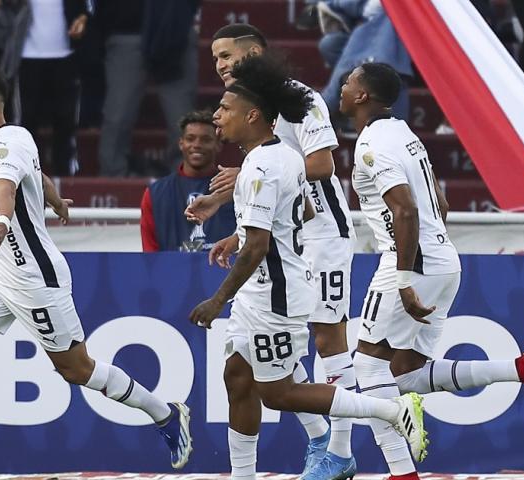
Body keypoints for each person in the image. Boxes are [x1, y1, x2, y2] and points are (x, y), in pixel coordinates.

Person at [0, 66, 193, 480]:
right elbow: (30, 172)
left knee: (76, 369)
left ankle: (164, 413)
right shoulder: (15, 138)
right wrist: (54, 199)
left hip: (34, 277)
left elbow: (5, 184)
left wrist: (1, 224)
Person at [188, 54, 429, 479]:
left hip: (273, 296)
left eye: (225, 109)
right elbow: (290, 216)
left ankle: (388, 409)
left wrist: (216, 298)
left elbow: (260, 245)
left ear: (254, 114)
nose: (216, 116)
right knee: (237, 377)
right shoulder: (278, 157)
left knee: (279, 393)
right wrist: (242, 233)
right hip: (265, 290)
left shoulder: (262, 166)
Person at [340, 62, 524, 480]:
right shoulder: (405, 134)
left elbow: (405, 208)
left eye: (348, 82)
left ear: (363, 96)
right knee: (405, 375)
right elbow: (440, 205)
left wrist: (406, 278)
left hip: (411, 261)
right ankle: (523, 368)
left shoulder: (372, 144)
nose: (341, 86)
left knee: (368, 367)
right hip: (443, 257)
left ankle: (401, 473)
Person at [187, 24, 358, 480]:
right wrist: (238, 221)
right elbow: (275, 187)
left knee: (326, 338)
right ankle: (323, 440)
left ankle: (340, 449)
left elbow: (322, 163)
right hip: (289, 241)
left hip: (323, 236)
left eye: (227, 55)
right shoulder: (252, 119)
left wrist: (250, 172)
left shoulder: (296, 98)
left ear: (256, 52)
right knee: (253, 369)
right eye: (215, 58)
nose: (220, 64)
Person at [95, 0, 199, 177]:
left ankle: (184, 175)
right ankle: (113, 177)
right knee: (118, 114)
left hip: (174, 29)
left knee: (181, 116)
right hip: (126, 29)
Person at [140, 110, 235, 252]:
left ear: (218, 145)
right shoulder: (155, 193)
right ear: (181, 143)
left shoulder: (234, 186)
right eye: (190, 138)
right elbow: (150, 255)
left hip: (226, 272)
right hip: (170, 272)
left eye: (206, 139)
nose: (197, 145)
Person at [16, 0, 88, 176]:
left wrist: (83, 18)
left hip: (65, 52)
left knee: (65, 117)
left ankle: (64, 171)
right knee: (28, 118)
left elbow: (87, 8)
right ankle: (26, 171)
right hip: (27, 54)